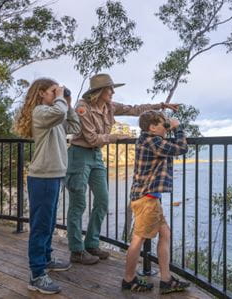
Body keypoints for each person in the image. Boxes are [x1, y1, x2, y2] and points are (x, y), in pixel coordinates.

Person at [66, 73, 179, 264]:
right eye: (110, 88)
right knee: (78, 204)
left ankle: (91, 243)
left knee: (102, 201)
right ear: (99, 91)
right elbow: (92, 138)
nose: (112, 91)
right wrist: (115, 137)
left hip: (96, 156)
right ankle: (76, 250)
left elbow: (134, 109)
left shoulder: (109, 106)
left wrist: (160, 105)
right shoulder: (82, 108)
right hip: (79, 155)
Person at [14, 78, 81, 294]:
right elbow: (58, 114)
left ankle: (46, 258)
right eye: (53, 91)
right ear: (42, 93)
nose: (57, 93)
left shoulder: (54, 114)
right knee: (41, 227)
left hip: (53, 175)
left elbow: (75, 127)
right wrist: (61, 99)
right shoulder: (41, 112)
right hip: (42, 177)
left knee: (49, 223)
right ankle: (36, 274)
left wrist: (68, 104)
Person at [122, 110, 190, 294]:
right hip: (147, 199)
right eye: (163, 124)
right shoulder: (152, 141)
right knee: (138, 239)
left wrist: (170, 130)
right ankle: (128, 279)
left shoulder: (148, 140)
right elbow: (181, 148)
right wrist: (178, 128)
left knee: (165, 233)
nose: (166, 128)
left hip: (149, 198)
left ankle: (166, 279)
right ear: (152, 127)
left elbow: (170, 147)